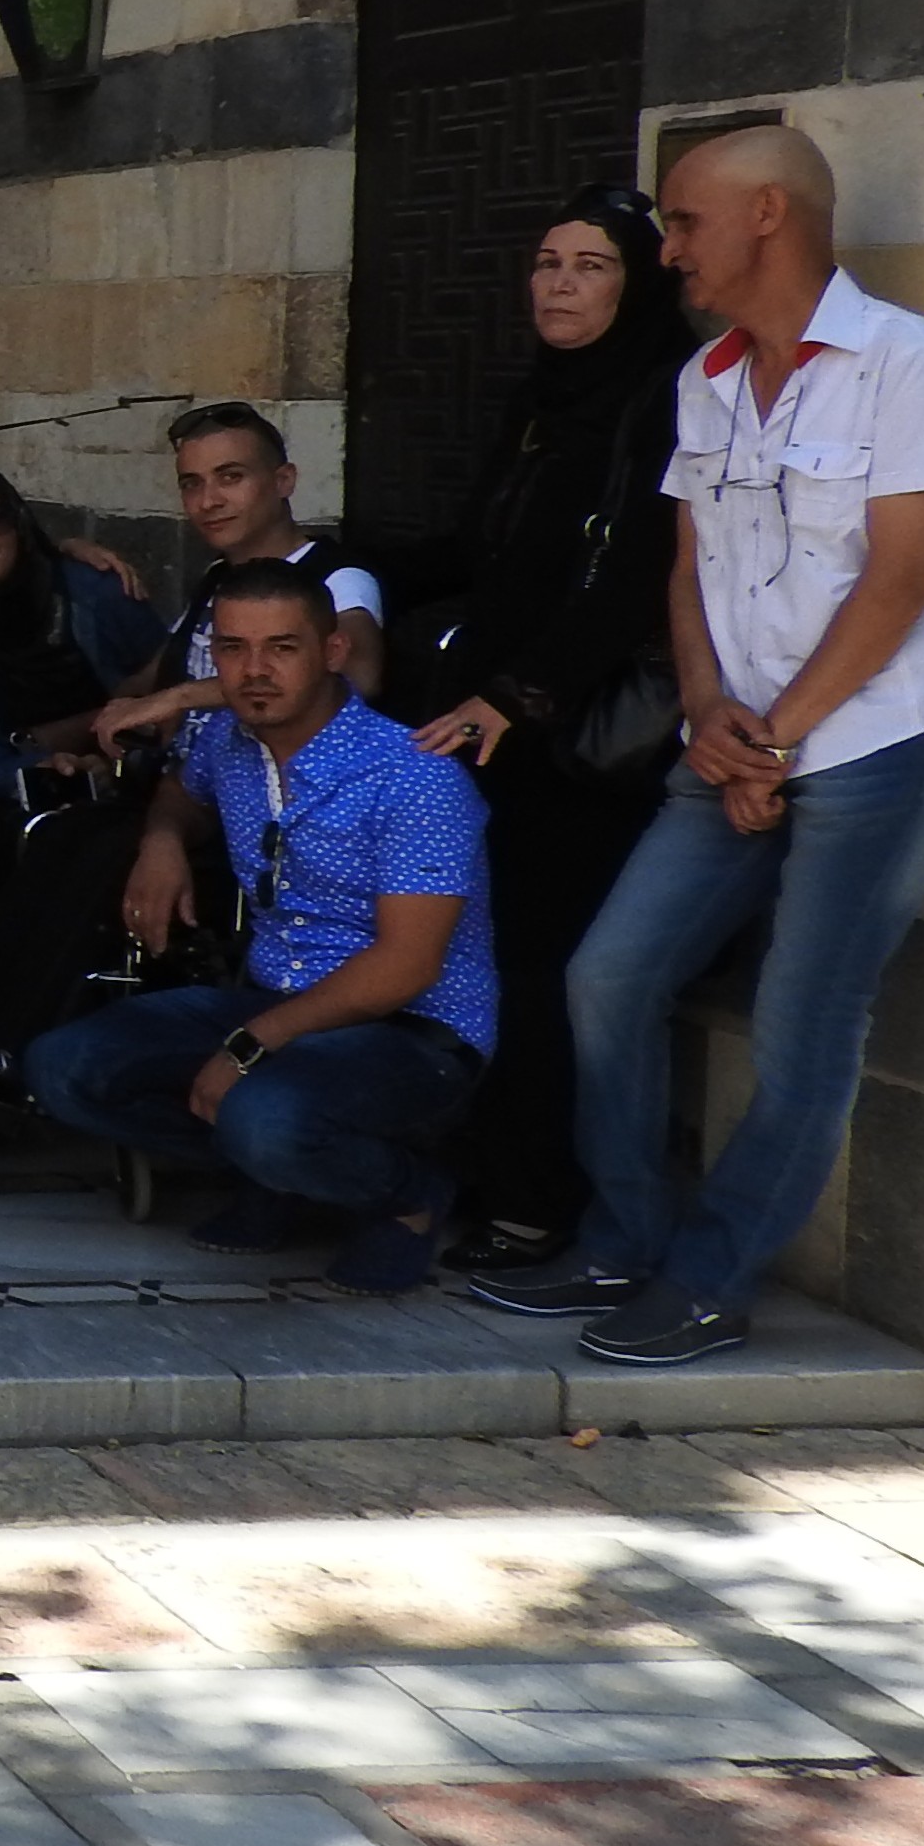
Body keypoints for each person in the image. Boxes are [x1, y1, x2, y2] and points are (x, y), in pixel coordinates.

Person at [475, 127, 924, 1366]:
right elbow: (685, 569)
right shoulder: (705, 378)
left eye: (680, 224)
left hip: (867, 749)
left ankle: (710, 1275)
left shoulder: (905, 364)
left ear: (767, 216)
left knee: (803, 1024)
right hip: (725, 734)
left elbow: (902, 577)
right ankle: (622, 1235)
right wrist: (702, 707)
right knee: (604, 977)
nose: (664, 249)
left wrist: (770, 743)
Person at [380, 184, 694, 1272]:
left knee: (546, 967)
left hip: (577, 750)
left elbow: (638, 583)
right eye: (546, 262)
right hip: (499, 740)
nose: (557, 283)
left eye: (590, 264)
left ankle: (539, 1205)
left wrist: (516, 698)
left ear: (641, 281)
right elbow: (480, 551)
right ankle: (482, 1176)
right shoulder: (540, 400)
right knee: (480, 957)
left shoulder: (661, 397)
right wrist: (327, 564)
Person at [26, 563, 493, 1292]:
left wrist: (249, 1047)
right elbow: (182, 792)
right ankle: (283, 1171)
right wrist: (164, 841)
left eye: (281, 647)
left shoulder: (415, 776)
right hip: (273, 1001)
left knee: (262, 1118)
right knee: (63, 1068)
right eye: (234, 649)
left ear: (332, 651)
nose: (255, 671)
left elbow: (407, 965)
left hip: (409, 1032)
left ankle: (404, 1193)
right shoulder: (227, 740)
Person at [0, 458, 172, 830]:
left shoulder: (95, 589)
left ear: (18, 524)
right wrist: (60, 771)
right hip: (8, 808)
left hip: (139, 776)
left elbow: (171, 674)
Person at [94, 402, 389, 741]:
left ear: (283, 481)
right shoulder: (219, 574)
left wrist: (180, 698)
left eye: (230, 477)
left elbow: (358, 676)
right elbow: (149, 682)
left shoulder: (335, 576)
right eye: (192, 484)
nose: (208, 501)